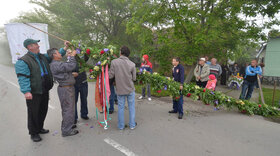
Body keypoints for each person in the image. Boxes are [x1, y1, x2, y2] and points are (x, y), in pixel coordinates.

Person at [15, 39, 65, 142]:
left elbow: (54, 56)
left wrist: (64, 48)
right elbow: (22, 77)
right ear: (30, 47)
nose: (38, 46)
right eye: (36, 44)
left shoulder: (42, 57)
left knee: (43, 110)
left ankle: (39, 127)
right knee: (34, 112)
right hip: (34, 92)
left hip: (44, 89)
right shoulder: (23, 61)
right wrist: (26, 91)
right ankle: (34, 133)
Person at [48, 47, 79, 137]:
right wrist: (72, 56)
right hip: (66, 89)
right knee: (68, 109)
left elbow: (64, 72)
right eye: (58, 53)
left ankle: (68, 125)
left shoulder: (57, 64)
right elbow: (71, 66)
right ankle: (66, 131)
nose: (60, 54)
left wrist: (71, 75)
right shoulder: (55, 64)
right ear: (54, 55)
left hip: (67, 88)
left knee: (68, 108)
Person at [109, 46, 137, 130]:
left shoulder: (114, 62)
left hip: (120, 88)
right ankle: (132, 125)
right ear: (128, 54)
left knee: (121, 107)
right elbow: (134, 78)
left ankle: (121, 126)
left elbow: (111, 75)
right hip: (130, 89)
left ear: (121, 52)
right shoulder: (132, 64)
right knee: (131, 107)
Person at [73, 52, 89, 124]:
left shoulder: (81, 60)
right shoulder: (69, 61)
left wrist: (86, 50)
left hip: (83, 82)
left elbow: (87, 56)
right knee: (74, 101)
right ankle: (74, 117)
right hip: (74, 84)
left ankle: (84, 114)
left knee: (84, 99)